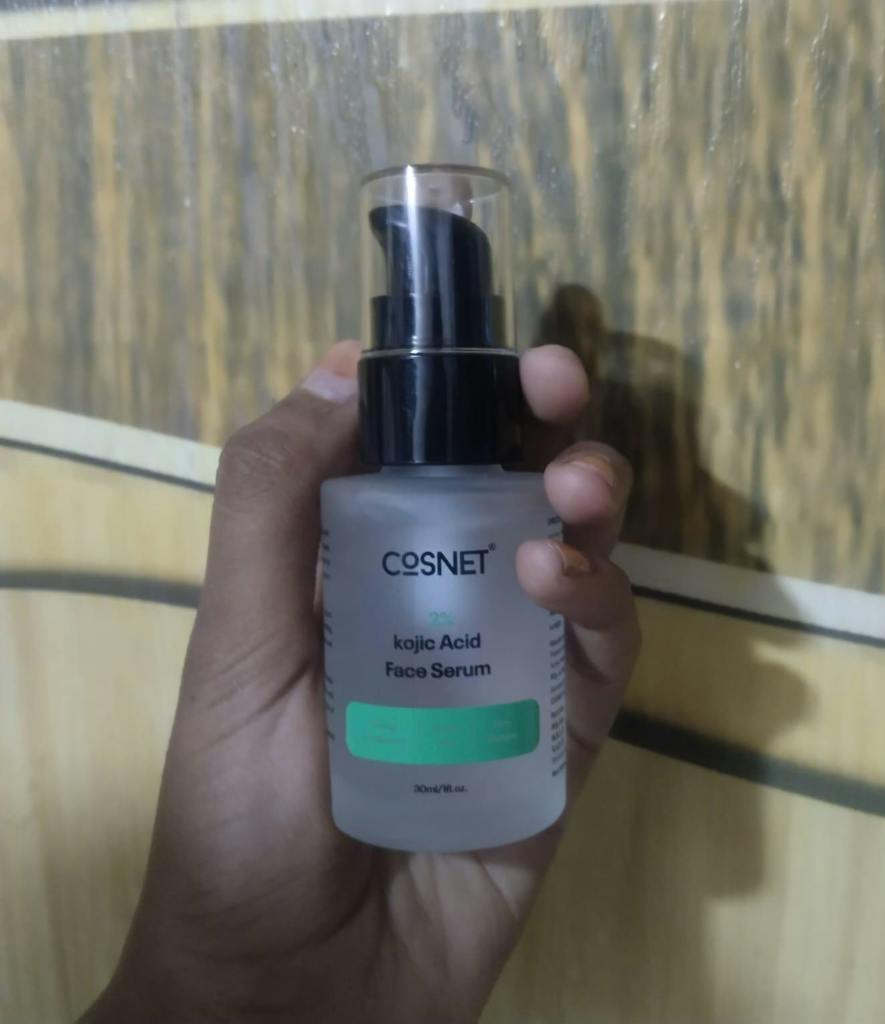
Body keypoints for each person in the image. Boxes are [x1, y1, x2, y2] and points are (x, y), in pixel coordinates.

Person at [81, 341, 640, 1023]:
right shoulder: (359, 501)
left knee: (564, 531)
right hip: (315, 890)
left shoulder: (520, 498)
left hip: (498, 800)